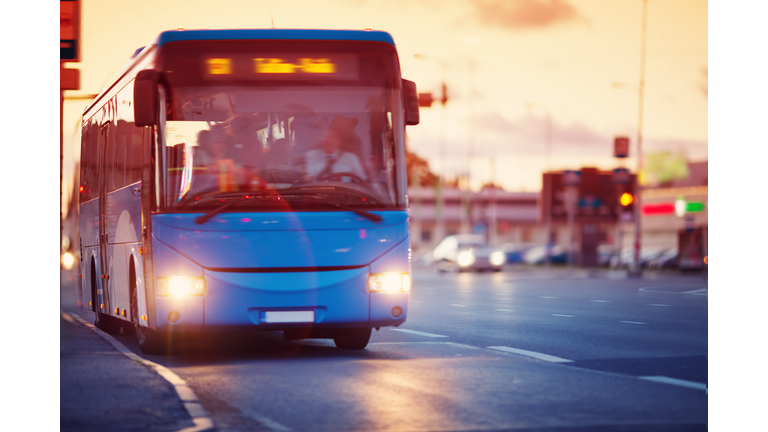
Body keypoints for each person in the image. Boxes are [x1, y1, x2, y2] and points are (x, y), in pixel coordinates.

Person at [305, 116, 367, 182]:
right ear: (321, 140)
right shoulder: (311, 155)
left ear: (339, 141)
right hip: (318, 191)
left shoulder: (351, 157)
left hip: (345, 191)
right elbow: (307, 178)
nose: (329, 140)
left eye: (334, 137)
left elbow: (362, 180)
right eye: (326, 136)